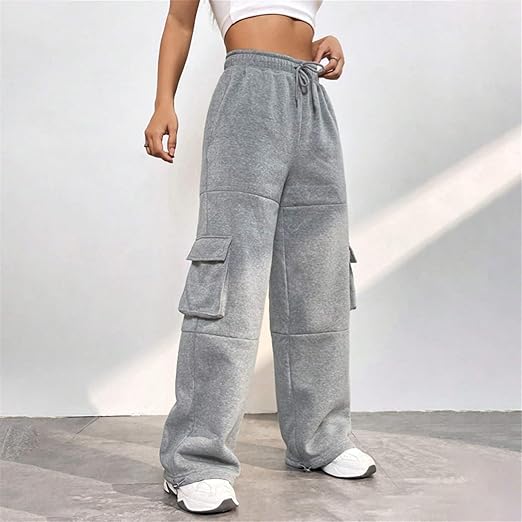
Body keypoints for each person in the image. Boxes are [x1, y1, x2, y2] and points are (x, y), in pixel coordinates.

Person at [144, 0, 376, 514]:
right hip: (248, 94)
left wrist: (319, 43)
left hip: (310, 95)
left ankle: (320, 439)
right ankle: (195, 460)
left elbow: (292, 20)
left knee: (319, 271)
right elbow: (179, 20)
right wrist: (164, 102)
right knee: (230, 278)